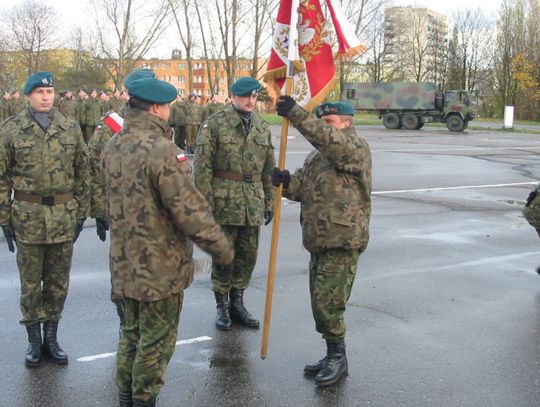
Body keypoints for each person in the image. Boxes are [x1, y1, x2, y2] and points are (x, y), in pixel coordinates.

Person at [102, 76, 234, 407]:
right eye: (169, 107)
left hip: (123, 263)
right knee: (156, 341)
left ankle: (125, 398)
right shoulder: (163, 152)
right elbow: (189, 213)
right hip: (158, 268)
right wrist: (222, 248)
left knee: (130, 335)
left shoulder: (113, 145)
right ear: (159, 108)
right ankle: (144, 400)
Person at [272, 97, 372, 387]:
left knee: (330, 304)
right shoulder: (318, 157)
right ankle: (332, 354)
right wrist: (284, 181)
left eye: (328, 123)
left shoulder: (355, 148)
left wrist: (297, 115)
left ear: (346, 123)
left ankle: (338, 358)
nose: (323, 128)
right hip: (319, 238)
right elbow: (302, 187)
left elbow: (332, 143)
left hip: (342, 239)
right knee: (321, 303)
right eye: (322, 123)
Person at [0, 71, 89, 367]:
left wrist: (80, 212)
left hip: (63, 216)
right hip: (28, 217)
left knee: (57, 283)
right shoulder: (11, 130)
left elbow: (82, 172)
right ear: (29, 95)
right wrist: (3, 217)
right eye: (39, 92)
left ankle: (52, 337)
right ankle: (34, 342)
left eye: (49, 92)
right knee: (29, 284)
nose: (45, 97)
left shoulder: (70, 128)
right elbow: (1, 177)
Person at [194, 77, 275, 330]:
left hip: (252, 201)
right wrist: (204, 205)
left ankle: (237, 303)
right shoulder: (215, 124)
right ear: (233, 96)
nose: (251, 101)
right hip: (223, 201)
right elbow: (202, 168)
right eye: (245, 96)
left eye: (254, 96)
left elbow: (268, 169)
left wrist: (269, 201)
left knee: (247, 257)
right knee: (224, 257)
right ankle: (222, 305)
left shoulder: (262, 127)